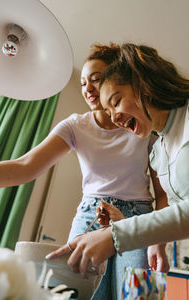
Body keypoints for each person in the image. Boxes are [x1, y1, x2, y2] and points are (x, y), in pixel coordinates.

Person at [0, 43, 168, 299]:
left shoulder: (141, 124)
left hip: (138, 216)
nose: (88, 89)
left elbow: (163, 194)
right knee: (74, 293)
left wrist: (158, 241)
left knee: (143, 294)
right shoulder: (76, 125)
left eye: (96, 79)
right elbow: (25, 166)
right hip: (91, 215)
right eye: (83, 83)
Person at [46, 42, 189, 281]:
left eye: (116, 101)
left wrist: (117, 234)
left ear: (142, 84)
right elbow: (177, 211)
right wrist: (146, 235)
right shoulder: (159, 153)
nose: (116, 119)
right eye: (108, 112)